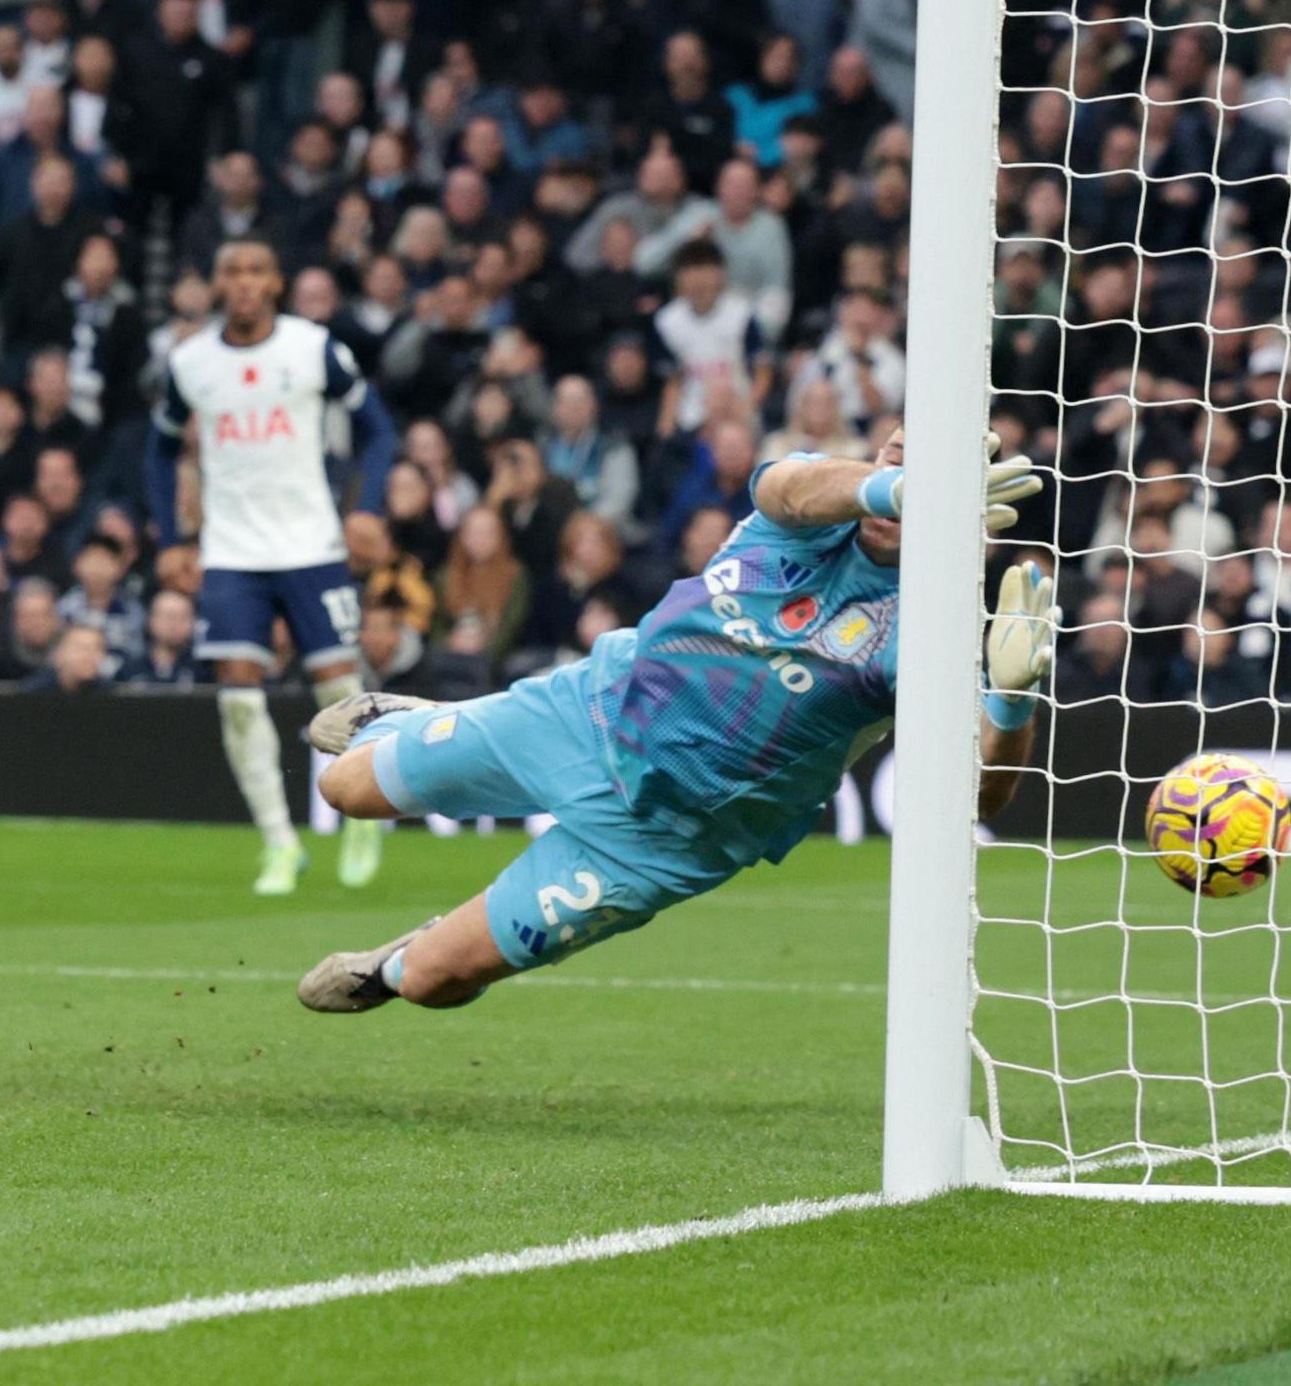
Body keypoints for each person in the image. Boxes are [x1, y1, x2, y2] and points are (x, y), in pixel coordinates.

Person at [296, 434, 1047, 1011]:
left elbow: (978, 798)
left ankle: (395, 963)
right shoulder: (807, 511)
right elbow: (789, 487)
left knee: (433, 980)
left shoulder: (929, 632)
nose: (896, 492)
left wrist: (1010, 698)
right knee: (345, 788)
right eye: (894, 457)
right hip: (584, 713)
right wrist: (898, 488)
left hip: (664, 838)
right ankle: (434, 719)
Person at [146, 238, 397, 897]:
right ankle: (279, 844)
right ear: (218, 285)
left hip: (311, 543)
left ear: (276, 282)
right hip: (231, 550)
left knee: (337, 690)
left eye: (257, 270)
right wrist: (173, 536)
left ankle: (367, 815)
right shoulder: (192, 362)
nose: (245, 282)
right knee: (235, 694)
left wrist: (366, 507)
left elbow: (378, 429)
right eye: (232, 270)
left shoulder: (311, 348)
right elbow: (158, 450)